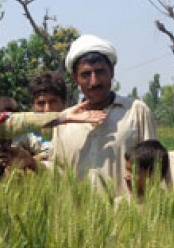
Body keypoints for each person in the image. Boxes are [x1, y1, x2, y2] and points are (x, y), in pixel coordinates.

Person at [51, 34, 157, 195]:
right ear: (75, 78)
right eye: (86, 75)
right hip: (75, 216)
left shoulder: (136, 111)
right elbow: (57, 172)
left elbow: (153, 166)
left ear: (112, 72)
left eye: (100, 72)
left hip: (127, 214)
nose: (94, 82)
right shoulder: (64, 120)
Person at [14, 72, 68, 162]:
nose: (47, 109)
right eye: (41, 103)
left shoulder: (74, 130)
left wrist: (37, 158)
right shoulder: (25, 134)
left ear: (64, 102)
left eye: (53, 102)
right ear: (32, 106)